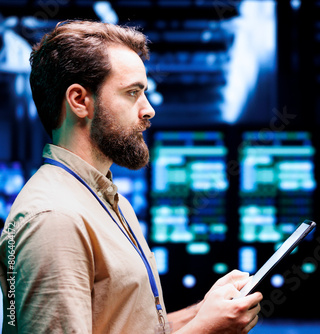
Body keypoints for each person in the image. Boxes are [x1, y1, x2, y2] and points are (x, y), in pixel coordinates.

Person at [0, 20, 262, 333]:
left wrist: (202, 312)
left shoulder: (109, 201)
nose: (149, 109)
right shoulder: (55, 218)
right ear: (80, 101)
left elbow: (124, 325)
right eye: (132, 93)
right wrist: (206, 329)